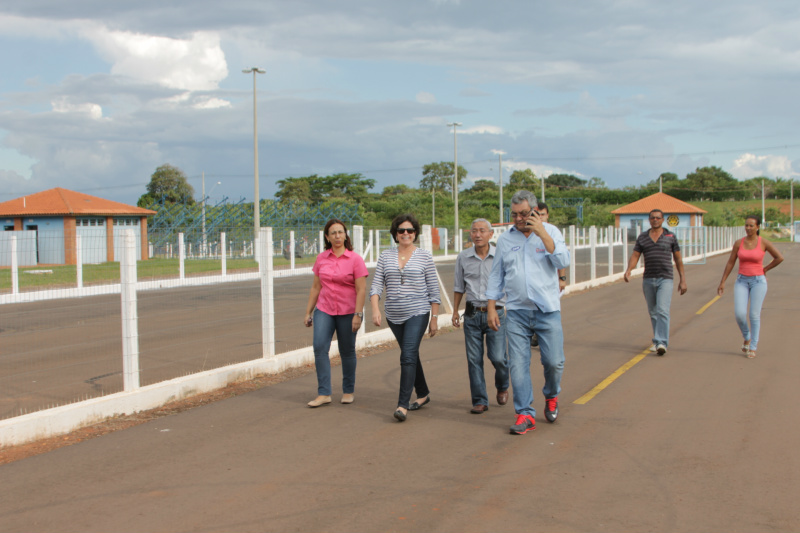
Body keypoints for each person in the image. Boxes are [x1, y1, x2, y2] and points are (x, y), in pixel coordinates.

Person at [486, 190, 570, 435]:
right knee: (518, 365)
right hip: (517, 312)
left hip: (547, 310)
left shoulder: (551, 232)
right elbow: (496, 275)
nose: (519, 219)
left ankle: (551, 395)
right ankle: (525, 414)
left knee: (553, 362)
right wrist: (492, 306)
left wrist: (542, 233)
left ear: (534, 211)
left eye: (524, 213)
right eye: (514, 214)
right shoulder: (505, 240)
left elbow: (563, 259)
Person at [370, 214, 441, 422]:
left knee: (407, 356)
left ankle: (402, 405)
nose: (406, 234)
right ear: (395, 234)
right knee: (410, 354)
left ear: (415, 233)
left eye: (410, 230)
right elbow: (376, 285)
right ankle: (423, 393)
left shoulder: (425, 256)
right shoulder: (385, 256)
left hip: (417, 312)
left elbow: (433, 290)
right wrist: (375, 309)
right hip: (394, 314)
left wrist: (434, 318)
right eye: (401, 230)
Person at [303, 219, 368, 407]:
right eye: (333, 233)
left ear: (345, 235)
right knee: (319, 347)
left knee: (347, 351)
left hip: (348, 311)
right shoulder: (321, 258)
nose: (337, 236)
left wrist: (358, 314)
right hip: (324, 309)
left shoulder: (355, 259)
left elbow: (361, 289)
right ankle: (324, 393)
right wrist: (308, 312)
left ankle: (348, 390)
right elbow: (316, 287)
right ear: (327, 237)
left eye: (340, 232)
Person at [452, 218, 509, 414]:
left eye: (482, 231)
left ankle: (502, 385)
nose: (477, 234)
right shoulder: (463, 257)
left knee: (498, 357)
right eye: (474, 231)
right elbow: (459, 286)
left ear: (491, 234)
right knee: (474, 359)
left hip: (497, 315)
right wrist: (454, 312)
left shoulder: (500, 256)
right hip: (472, 314)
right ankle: (479, 400)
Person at [716, 215, 783, 358]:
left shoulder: (763, 242)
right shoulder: (738, 243)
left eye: (751, 226)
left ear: (758, 227)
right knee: (740, 314)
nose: (748, 228)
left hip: (758, 281)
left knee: (754, 315)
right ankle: (747, 336)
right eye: (746, 225)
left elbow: (779, 258)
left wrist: (765, 269)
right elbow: (730, 262)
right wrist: (722, 281)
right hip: (741, 281)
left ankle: (753, 347)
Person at [623, 209, 687, 356]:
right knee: (653, 311)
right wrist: (629, 270)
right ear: (649, 220)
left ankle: (662, 342)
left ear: (663, 220)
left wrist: (682, 279)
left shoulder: (670, 236)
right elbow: (635, 255)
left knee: (662, 310)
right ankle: (658, 341)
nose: (655, 220)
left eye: (658, 218)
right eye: (652, 218)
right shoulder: (643, 237)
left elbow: (678, 259)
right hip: (648, 279)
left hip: (665, 278)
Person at [530, 202, 567, 348]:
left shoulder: (552, 232)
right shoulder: (528, 234)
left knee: (547, 310)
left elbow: (560, 259)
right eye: (537, 214)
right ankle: (535, 333)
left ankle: (543, 336)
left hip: (549, 284)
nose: (540, 217)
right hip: (533, 284)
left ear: (548, 216)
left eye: (543, 214)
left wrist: (562, 278)